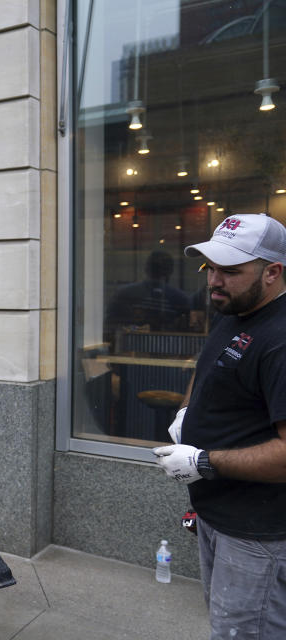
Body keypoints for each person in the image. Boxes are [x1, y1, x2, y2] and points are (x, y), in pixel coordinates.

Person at [152, 213, 286, 639]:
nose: (214, 280)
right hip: (218, 517)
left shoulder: (280, 338)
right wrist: (187, 413)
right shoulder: (235, 310)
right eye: (211, 267)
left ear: (273, 272)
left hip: (257, 534)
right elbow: (209, 363)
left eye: (230, 270)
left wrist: (204, 460)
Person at [104, 250, 191, 340]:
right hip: (165, 347)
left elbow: (109, 326)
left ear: (146, 268)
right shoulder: (180, 298)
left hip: (132, 347)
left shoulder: (124, 293)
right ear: (171, 271)